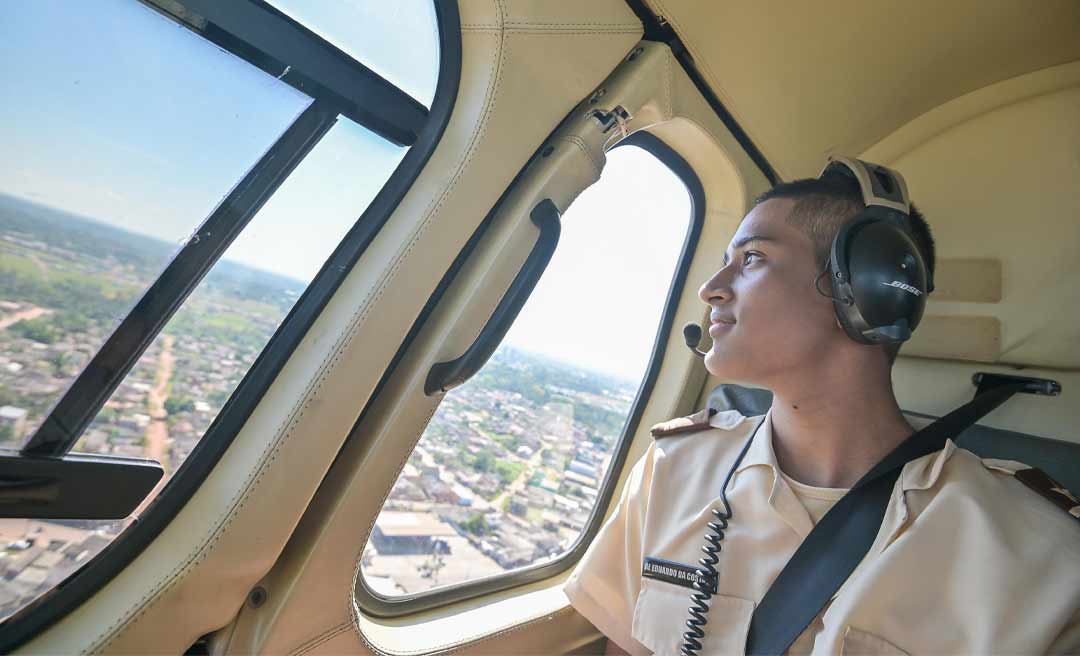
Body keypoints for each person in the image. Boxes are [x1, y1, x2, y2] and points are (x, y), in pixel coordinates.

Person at [563, 164, 1080, 655]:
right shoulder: (672, 470)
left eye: (752, 259)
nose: (710, 288)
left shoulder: (1037, 554)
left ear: (865, 288)